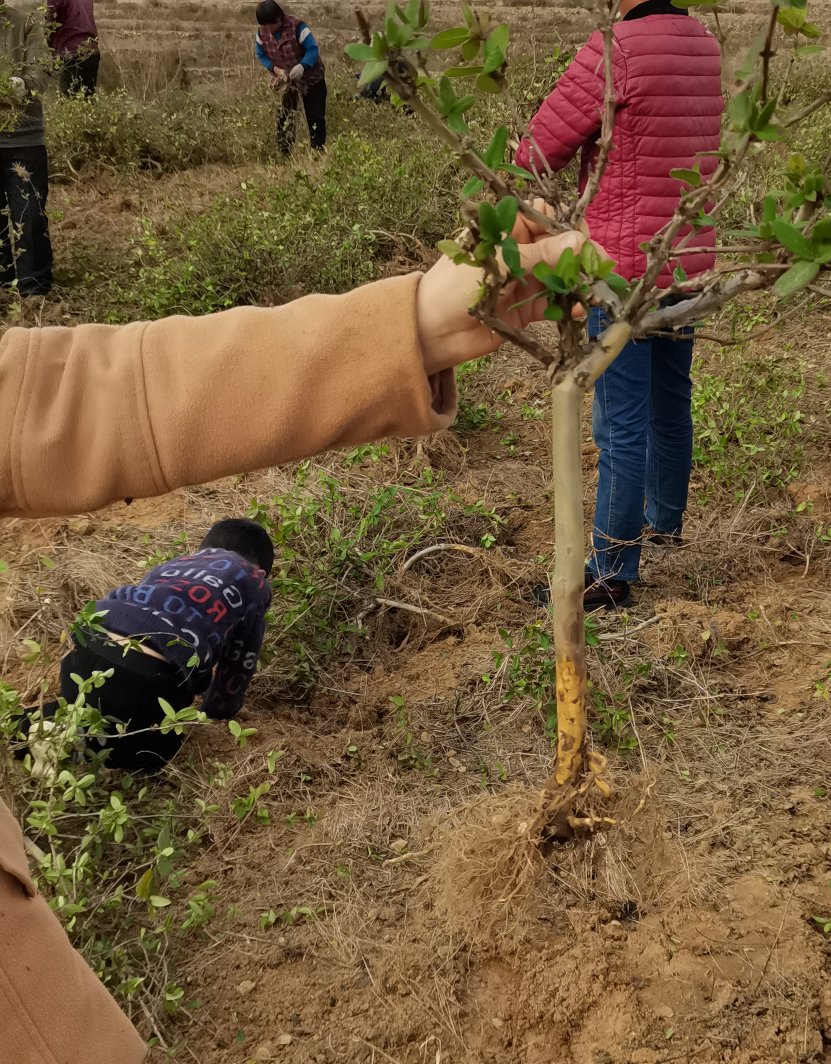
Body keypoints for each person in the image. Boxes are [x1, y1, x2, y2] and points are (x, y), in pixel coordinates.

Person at [0, 217, 583, 1063]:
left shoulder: (181, 560)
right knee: (138, 741)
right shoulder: (246, 586)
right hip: (154, 664)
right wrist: (219, 716)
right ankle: (119, 758)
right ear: (260, 573)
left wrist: (409, 321)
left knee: (84, 708)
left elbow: (69, 393)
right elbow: (232, 661)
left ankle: (56, 733)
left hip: (93, 636)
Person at [516, 0, 723, 610]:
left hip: (621, 269)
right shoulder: (704, 45)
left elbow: (537, 149)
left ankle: (610, 571)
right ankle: (665, 523)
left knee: (620, 424)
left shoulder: (616, 49)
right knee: (669, 400)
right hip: (686, 258)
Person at [39, 520, 274, 771]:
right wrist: (221, 708)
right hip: (144, 677)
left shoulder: (174, 564)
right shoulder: (254, 580)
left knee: (82, 712)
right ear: (261, 569)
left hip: (84, 646)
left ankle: (33, 727)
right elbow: (239, 659)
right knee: (151, 753)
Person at [0, 0, 53, 299]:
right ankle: (3, 282)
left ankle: (34, 290)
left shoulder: (26, 23)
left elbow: (42, 73)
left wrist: (19, 84)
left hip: (24, 139)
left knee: (30, 217)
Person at [254, 0, 326, 154]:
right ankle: (284, 152)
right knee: (285, 116)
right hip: (287, 82)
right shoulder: (262, 33)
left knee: (315, 116)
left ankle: (317, 151)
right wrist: (276, 70)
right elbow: (261, 55)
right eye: (263, 25)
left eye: (269, 25)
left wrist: (302, 66)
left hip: (312, 79)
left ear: (279, 19)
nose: (267, 29)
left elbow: (312, 50)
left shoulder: (298, 27)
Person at [47, 0, 100, 97]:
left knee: (68, 101)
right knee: (88, 102)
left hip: (70, 51)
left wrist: (49, 47)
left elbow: (49, 25)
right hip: (92, 50)